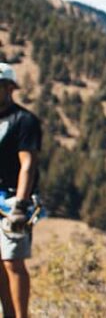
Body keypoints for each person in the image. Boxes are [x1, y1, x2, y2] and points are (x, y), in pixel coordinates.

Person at [0, 63, 41, 318]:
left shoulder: (24, 121)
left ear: (9, 88)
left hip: (14, 199)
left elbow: (28, 164)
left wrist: (21, 204)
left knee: (12, 261)